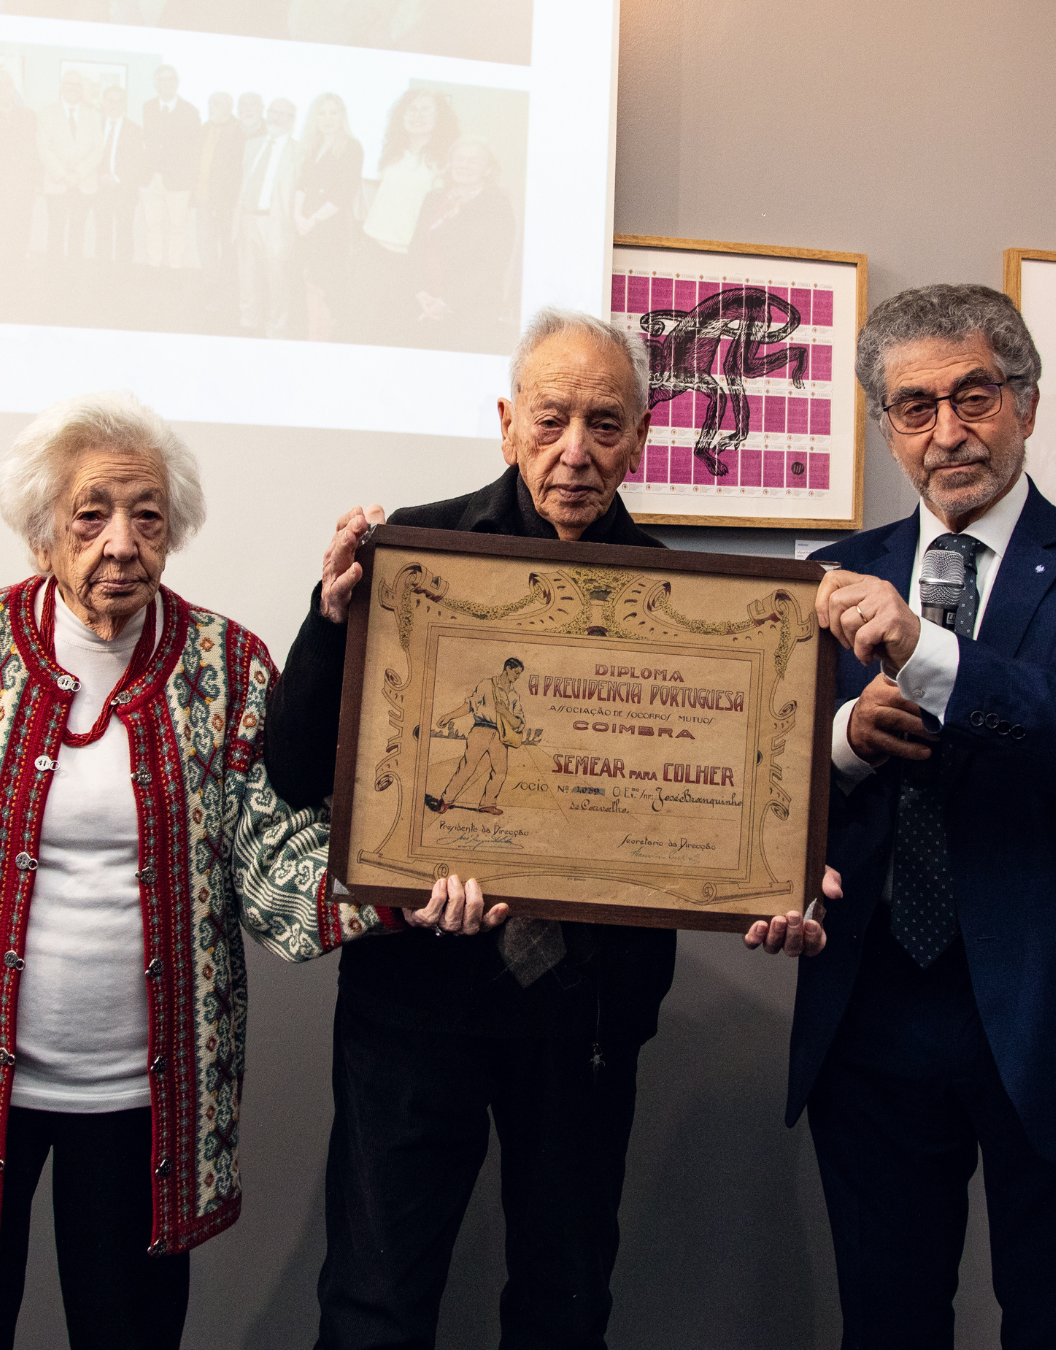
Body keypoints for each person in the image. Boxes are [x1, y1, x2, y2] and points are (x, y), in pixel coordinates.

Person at [262, 307, 823, 1349]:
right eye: (554, 419)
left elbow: (729, 793)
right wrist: (328, 615)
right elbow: (295, 774)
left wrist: (772, 870)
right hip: (413, 1000)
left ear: (643, 439)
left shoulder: (693, 605)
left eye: (606, 425)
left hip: (588, 1015)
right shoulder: (410, 557)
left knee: (565, 1302)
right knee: (376, 1303)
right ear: (509, 423)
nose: (577, 452)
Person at [0, 391, 500, 1349]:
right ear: (41, 532)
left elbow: (275, 861)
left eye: (147, 516)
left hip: (141, 1097)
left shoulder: (225, 664)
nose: (120, 543)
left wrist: (410, 888)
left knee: (128, 1334)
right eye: (91, 514)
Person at [779, 283, 1056, 1347]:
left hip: (1049, 1017)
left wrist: (930, 654)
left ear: (1029, 405)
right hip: (871, 1016)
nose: (947, 431)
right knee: (888, 1322)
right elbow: (766, 790)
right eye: (915, 406)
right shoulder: (826, 580)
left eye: (974, 396)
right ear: (887, 427)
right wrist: (846, 746)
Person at [350, 87, 458, 344]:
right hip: (372, 248)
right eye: (411, 109)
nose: (417, 115)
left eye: (425, 110)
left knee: (394, 328)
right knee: (362, 322)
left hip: (408, 258)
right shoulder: (393, 152)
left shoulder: (445, 160)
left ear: (439, 117)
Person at [412, 136, 516, 353]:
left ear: (487, 169)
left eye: (473, 161)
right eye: (459, 159)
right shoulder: (434, 197)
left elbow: (492, 266)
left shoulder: (497, 205)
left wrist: (446, 303)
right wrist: (420, 291)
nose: (464, 166)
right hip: (425, 305)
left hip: (471, 314)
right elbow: (416, 248)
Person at [293, 92, 364, 342]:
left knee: (326, 288)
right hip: (306, 227)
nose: (327, 118)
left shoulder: (351, 147)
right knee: (307, 285)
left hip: (330, 228)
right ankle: (313, 336)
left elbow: (342, 195)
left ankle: (323, 341)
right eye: (322, 113)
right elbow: (302, 185)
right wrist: (298, 217)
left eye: (333, 112)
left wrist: (310, 221)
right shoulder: (314, 146)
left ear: (342, 116)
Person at [236, 96, 301, 339]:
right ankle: (248, 318)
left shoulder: (299, 151)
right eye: (273, 111)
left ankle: (277, 324)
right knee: (246, 272)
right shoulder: (252, 144)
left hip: (276, 222)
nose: (276, 117)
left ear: (292, 121)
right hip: (246, 218)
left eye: (283, 114)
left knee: (277, 278)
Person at [433, 656, 525, 814]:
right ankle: (446, 800)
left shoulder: (514, 695)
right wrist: (450, 716)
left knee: (500, 771)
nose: (517, 677)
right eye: (516, 672)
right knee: (467, 767)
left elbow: (518, 723)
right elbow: (470, 705)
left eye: (519, 674)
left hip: (500, 735)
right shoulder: (486, 684)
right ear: (507, 669)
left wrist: (504, 712)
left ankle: (488, 803)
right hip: (481, 730)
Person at [37, 69, 102, 265]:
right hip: (57, 184)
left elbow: (98, 150)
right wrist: (64, 175)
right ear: (61, 87)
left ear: (82, 90)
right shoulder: (46, 113)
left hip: (84, 185)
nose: (72, 89)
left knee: (77, 232)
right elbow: (43, 149)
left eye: (77, 85)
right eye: (68, 84)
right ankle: (54, 278)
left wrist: (78, 174)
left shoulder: (93, 115)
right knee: (56, 231)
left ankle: (73, 279)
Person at [141, 65, 201, 271]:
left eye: (170, 79)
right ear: (156, 84)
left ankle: (175, 269)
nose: (166, 83)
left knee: (177, 227)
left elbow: (195, 151)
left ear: (177, 83)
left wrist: (192, 183)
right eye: (162, 80)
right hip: (151, 178)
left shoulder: (191, 111)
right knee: (152, 226)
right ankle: (153, 266)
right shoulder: (147, 107)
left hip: (179, 181)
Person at [195, 91, 243, 309]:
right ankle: (210, 280)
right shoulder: (206, 128)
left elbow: (235, 170)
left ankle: (227, 284)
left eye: (216, 104)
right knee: (205, 240)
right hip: (203, 197)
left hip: (224, 201)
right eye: (209, 102)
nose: (210, 107)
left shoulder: (238, 131)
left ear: (229, 107)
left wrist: (225, 200)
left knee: (227, 243)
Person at [95, 84, 144, 268]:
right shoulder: (94, 125)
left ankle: (123, 276)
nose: (114, 104)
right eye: (110, 100)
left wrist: (115, 178)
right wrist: (101, 176)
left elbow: (136, 161)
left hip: (124, 189)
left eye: (118, 100)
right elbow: (89, 155)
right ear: (103, 103)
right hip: (99, 188)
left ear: (124, 103)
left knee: (124, 233)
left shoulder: (134, 129)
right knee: (102, 233)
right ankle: (102, 273)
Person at [0, 69, 38, 286]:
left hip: (22, 189)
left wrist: (34, 184)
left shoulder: (28, 116)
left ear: (12, 89)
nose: (3, 90)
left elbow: (35, 152)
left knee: (20, 234)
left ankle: (16, 279)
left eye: (6, 85)